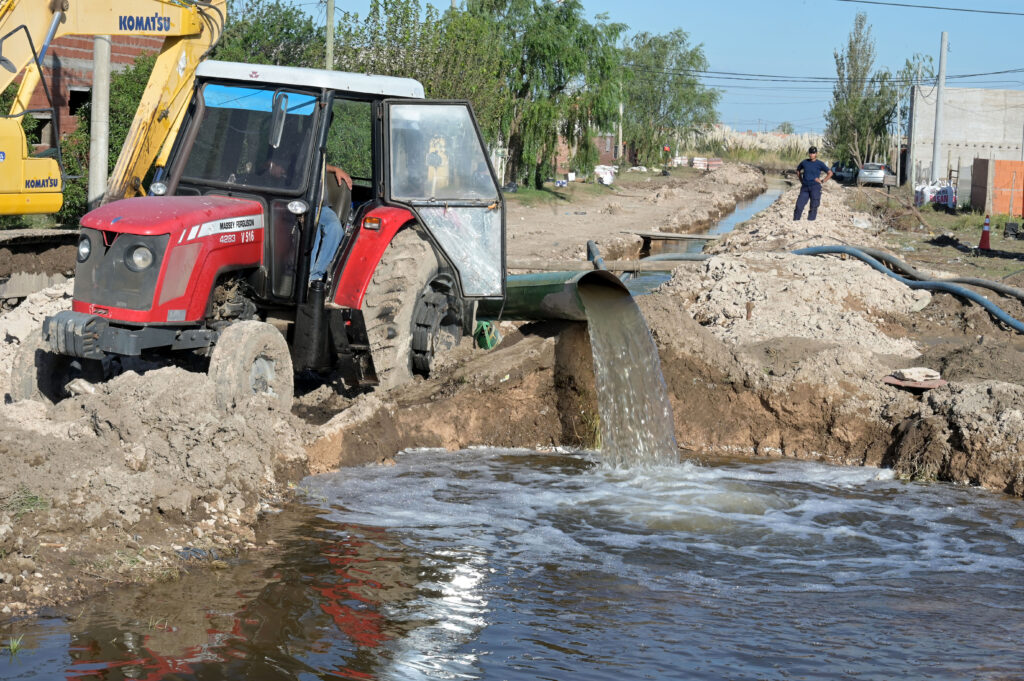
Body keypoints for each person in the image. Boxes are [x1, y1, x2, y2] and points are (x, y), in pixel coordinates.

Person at [309, 164, 352, 283]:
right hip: (303, 203)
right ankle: (306, 273)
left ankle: (315, 276)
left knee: (335, 228)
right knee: (313, 227)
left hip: (321, 205)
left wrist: (335, 169)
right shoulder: (295, 156)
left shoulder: (317, 156)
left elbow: (320, 162)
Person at [794, 146, 832, 221]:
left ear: (816, 154)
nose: (812, 154)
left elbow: (830, 173)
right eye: (810, 153)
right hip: (805, 188)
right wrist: (801, 180)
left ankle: (810, 221)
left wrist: (822, 181)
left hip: (815, 187)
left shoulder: (820, 163)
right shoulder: (804, 162)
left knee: (814, 206)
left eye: (813, 153)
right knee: (799, 205)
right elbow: (798, 171)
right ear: (809, 154)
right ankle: (796, 220)